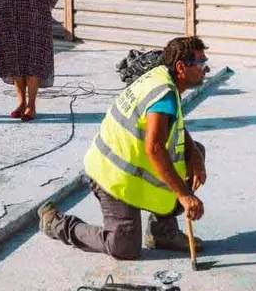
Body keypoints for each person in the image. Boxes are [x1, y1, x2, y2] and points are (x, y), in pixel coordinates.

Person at [37, 36, 210, 260]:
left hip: (131, 171)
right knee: (124, 248)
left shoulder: (162, 78)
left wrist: (194, 154)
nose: (206, 69)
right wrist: (185, 195)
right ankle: (56, 224)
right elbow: (155, 149)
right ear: (180, 67)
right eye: (201, 63)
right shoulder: (164, 95)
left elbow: (172, 124)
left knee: (195, 152)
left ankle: (162, 233)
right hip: (112, 176)